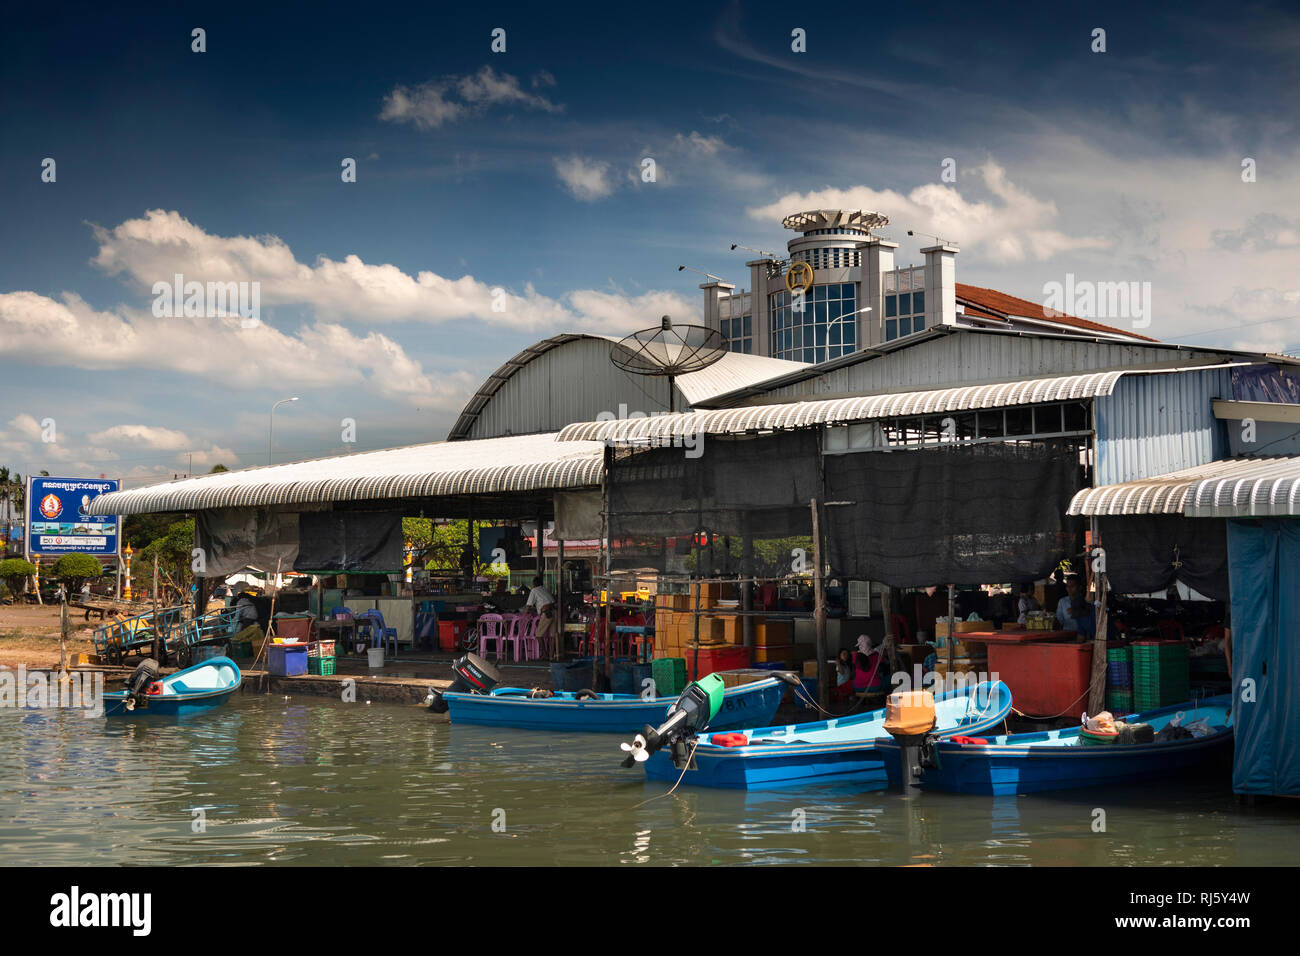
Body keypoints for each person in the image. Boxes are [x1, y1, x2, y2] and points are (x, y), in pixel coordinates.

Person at [525, 575, 556, 643]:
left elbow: (528, 606)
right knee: (552, 636)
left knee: (538, 635)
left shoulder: (534, 590)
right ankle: (551, 654)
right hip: (554, 611)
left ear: (534, 584)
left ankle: (544, 653)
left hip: (547, 612)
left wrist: (525, 615)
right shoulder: (545, 589)